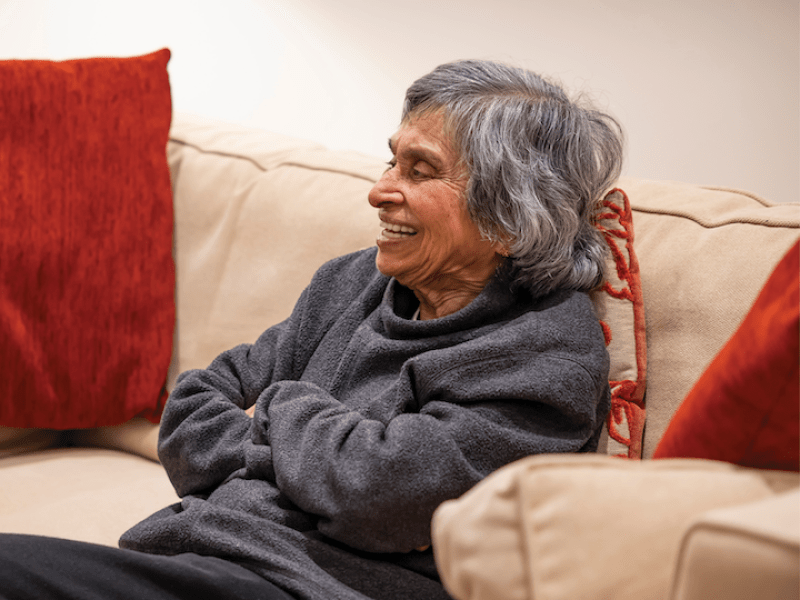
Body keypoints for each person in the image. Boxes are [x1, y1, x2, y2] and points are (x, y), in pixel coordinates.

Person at [0, 59, 624, 600]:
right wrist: (325, 466)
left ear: (510, 217)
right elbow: (191, 412)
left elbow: (381, 496)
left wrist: (275, 408)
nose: (379, 191)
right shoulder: (352, 283)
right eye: (391, 160)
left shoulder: (543, 354)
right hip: (196, 556)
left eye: (419, 171)